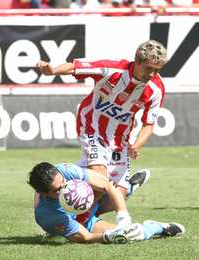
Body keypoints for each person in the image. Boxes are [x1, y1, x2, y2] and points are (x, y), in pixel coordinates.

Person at [36, 40, 167, 213]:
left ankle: (123, 188)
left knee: (115, 198)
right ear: (137, 61)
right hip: (92, 126)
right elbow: (74, 67)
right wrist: (52, 70)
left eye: (157, 70)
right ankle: (67, 223)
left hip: (120, 137)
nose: (152, 74)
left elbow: (149, 124)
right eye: (148, 68)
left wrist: (136, 145)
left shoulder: (156, 89)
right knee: (99, 183)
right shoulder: (112, 69)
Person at [28, 161, 185, 244]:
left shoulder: (65, 170)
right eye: (57, 190)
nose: (66, 188)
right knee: (130, 235)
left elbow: (106, 185)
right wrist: (109, 236)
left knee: (114, 189)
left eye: (63, 182)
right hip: (78, 221)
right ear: (43, 194)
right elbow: (86, 237)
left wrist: (124, 218)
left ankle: (128, 187)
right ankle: (157, 227)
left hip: (91, 198)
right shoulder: (47, 214)